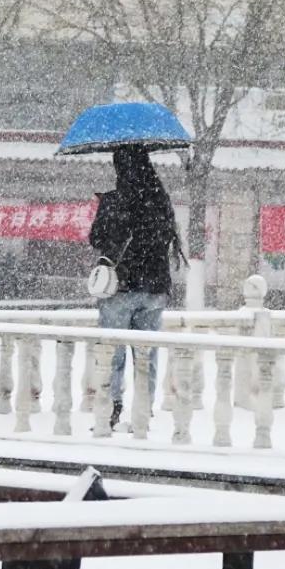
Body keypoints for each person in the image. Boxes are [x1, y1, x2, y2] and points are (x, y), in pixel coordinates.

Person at [86, 147, 181, 429]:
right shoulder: (160, 200)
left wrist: (105, 206)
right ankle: (144, 409)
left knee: (113, 353)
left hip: (121, 287)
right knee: (147, 353)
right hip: (154, 289)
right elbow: (166, 239)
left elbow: (96, 238)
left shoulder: (115, 200)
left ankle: (112, 408)